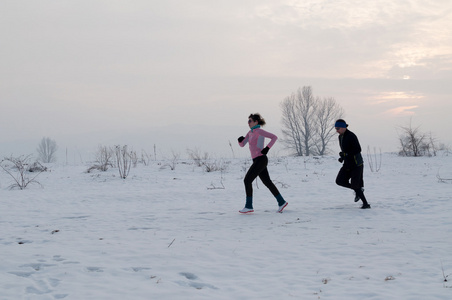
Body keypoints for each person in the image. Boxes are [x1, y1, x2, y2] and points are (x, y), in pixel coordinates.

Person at [237, 113, 288, 214]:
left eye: (250, 121)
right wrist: (240, 141)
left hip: (261, 159)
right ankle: (281, 202)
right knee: (267, 182)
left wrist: (267, 148)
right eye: (248, 121)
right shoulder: (250, 133)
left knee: (247, 180)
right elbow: (243, 144)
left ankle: (248, 206)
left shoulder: (259, 131)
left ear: (256, 122)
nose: (248, 123)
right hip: (256, 160)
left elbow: (274, 137)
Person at [335, 119, 371, 209]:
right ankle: (358, 190)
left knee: (355, 185)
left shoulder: (351, 136)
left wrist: (346, 154)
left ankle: (366, 204)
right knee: (339, 181)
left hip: (356, 164)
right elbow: (345, 151)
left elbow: (358, 149)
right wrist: (342, 157)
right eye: (335, 128)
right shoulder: (340, 137)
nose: (337, 130)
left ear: (343, 127)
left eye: (338, 128)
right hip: (347, 163)